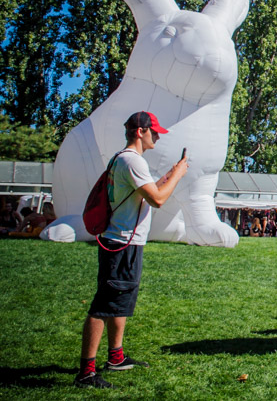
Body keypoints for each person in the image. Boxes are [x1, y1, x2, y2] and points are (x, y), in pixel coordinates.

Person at [75, 111, 188, 388]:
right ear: (140, 131)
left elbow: (146, 196)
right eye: (155, 131)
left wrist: (172, 173)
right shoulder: (132, 161)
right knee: (103, 306)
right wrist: (180, 175)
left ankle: (116, 357)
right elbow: (159, 200)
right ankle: (86, 372)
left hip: (123, 242)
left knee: (119, 303)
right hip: (121, 243)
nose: (158, 136)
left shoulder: (123, 159)